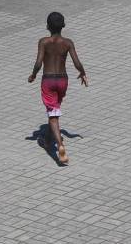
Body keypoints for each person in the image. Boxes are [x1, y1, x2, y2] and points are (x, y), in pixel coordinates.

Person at [28, 12, 87, 165]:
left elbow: (38, 63)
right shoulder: (68, 42)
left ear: (47, 26)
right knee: (53, 110)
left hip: (48, 80)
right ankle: (48, 140)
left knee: (53, 115)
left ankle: (60, 147)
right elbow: (77, 62)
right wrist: (83, 73)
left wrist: (33, 75)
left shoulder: (43, 42)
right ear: (63, 26)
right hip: (62, 81)